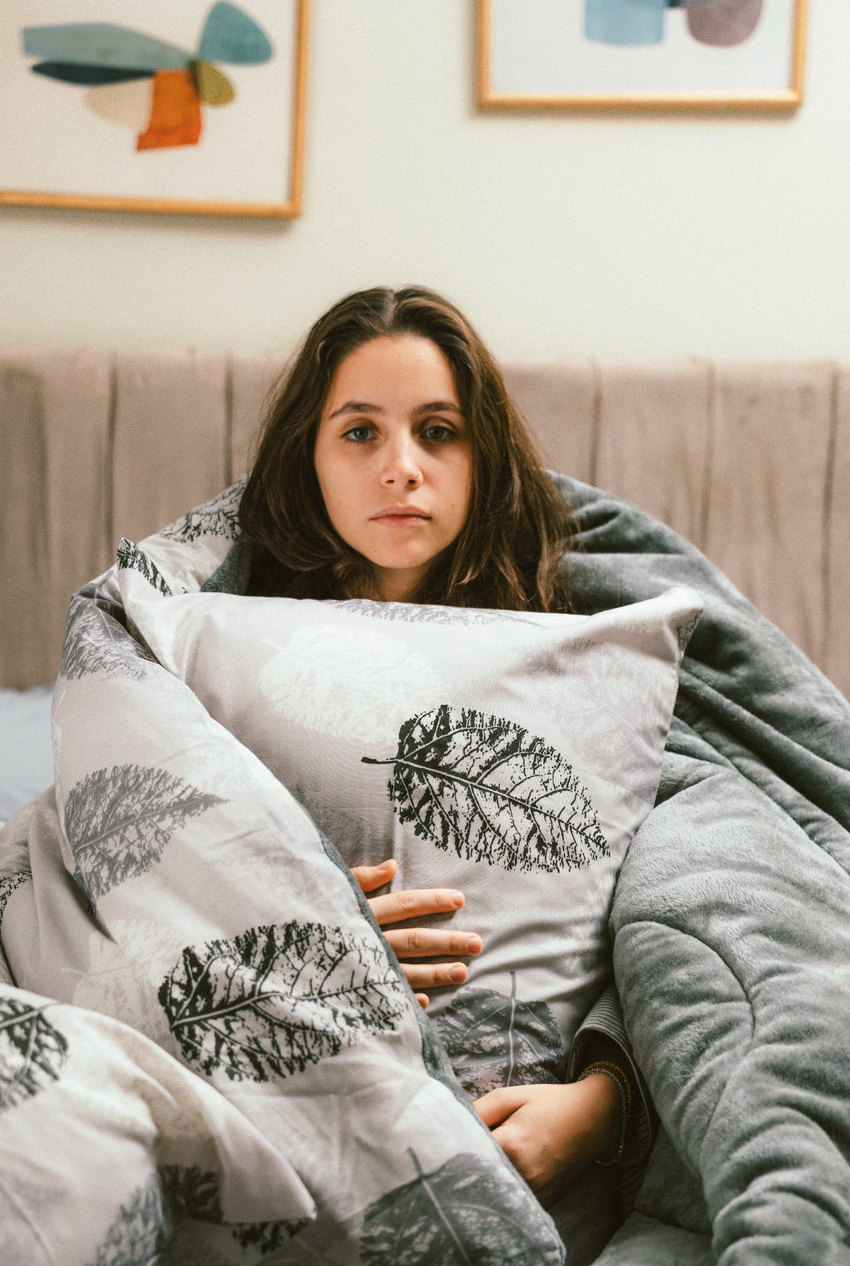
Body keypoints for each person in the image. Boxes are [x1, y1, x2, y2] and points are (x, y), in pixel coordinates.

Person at [237, 285, 646, 1214]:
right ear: (308, 455)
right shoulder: (223, 649)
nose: (402, 468)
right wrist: (297, 939)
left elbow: (669, 891)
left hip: (537, 1121)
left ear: (482, 452)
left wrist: (607, 1100)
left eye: (438, 430)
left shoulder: (578, 653)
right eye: (359, 433)